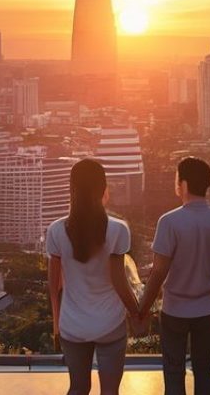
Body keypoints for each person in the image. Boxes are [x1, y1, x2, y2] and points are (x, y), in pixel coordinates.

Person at [138, 157, 210, 395]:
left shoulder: (170, 222)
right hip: (209, 309)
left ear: (182, 184)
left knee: (174, 373)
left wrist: (141, 309)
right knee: (204, 371)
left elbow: (158, 272)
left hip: (175, 310)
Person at [47, 159, 142, 395]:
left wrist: (57, 325)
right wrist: (137, 312)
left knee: (78, 388)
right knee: (110, 391)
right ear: (103, 189)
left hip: (72, 325)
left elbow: (53, 286)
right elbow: (120, 283)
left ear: (72, 190)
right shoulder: (118, 229)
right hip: (110, 324)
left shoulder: (56, 231)